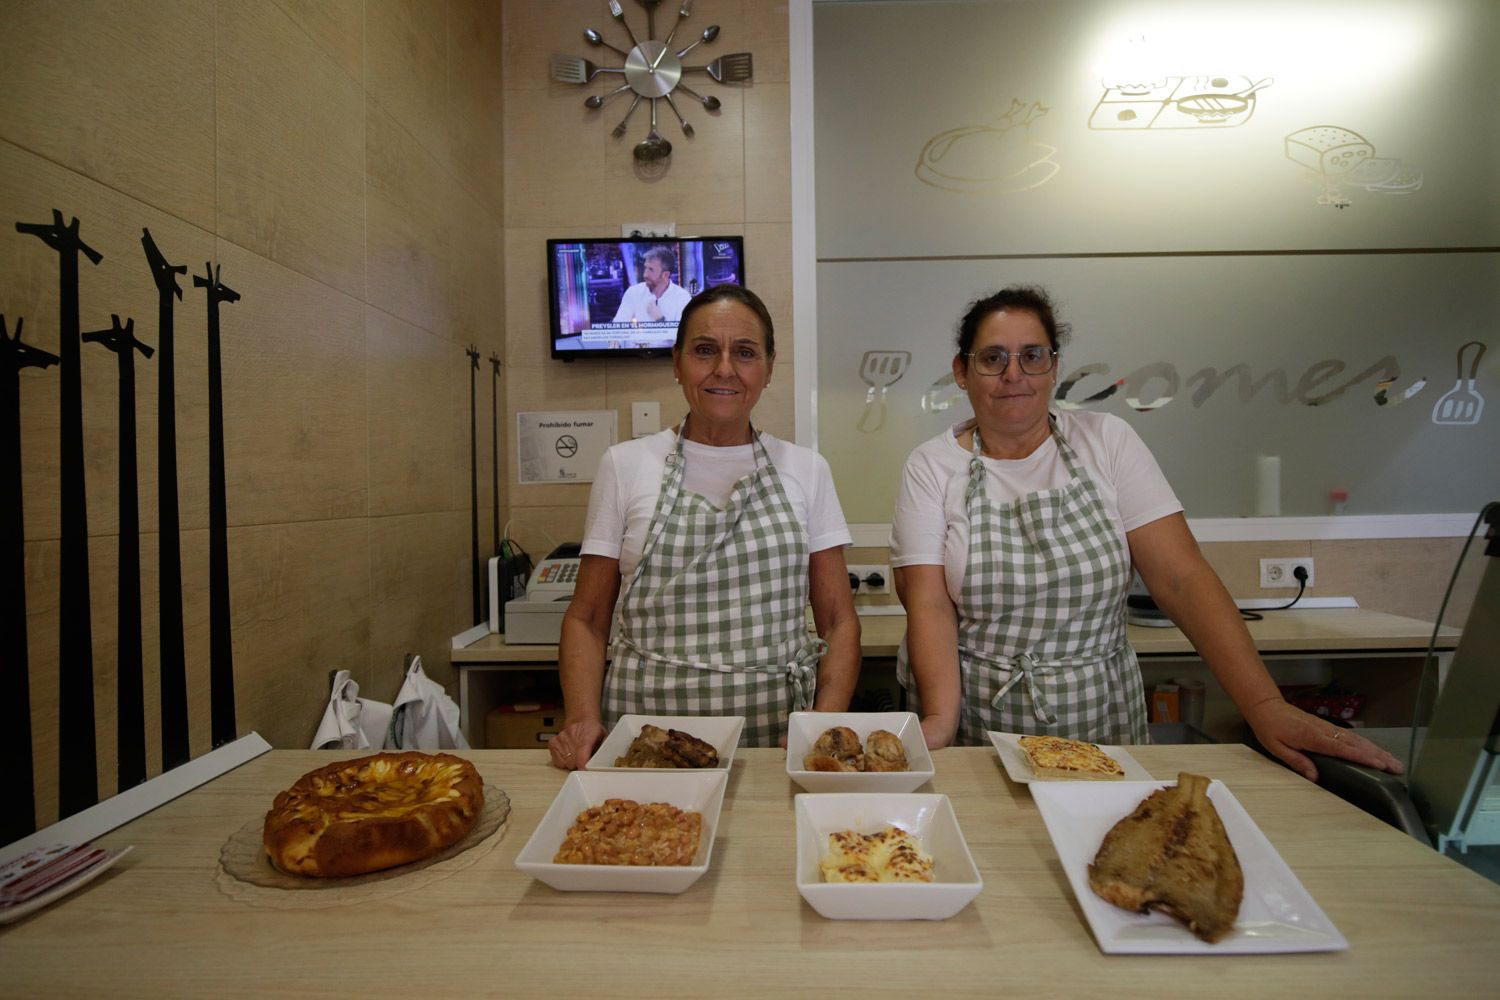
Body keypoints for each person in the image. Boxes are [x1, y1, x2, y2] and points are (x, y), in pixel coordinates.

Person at [890, 285, 1401, 781]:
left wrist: (1265, 705)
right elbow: (929, 604)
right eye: (993, 358)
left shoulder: (1107, 441)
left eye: (1032, 355)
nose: (1014, 374)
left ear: (1054, 367)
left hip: (1101, 709)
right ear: (962, 371)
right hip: (978, 713)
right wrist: (940, 723)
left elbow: (1180, 577)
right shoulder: (933, 466)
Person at [550, 284, 861, 768]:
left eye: (745, 353)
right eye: (704, 350)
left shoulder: (806, 469)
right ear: (677, 363)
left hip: (774, 742)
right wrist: (582, 718)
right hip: (646, 743)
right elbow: (587, 619)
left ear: (769, 368)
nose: (724, 369)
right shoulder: (626, 465)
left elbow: (839, 620)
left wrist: (822, 722)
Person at [611, 246, 691, 324]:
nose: (645, 274)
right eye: (646, 268)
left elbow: (683, 335)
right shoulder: (633, 293)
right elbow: (617, 329)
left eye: (651, 270)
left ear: (665, 275)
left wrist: (660, 319)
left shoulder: (682, 297)